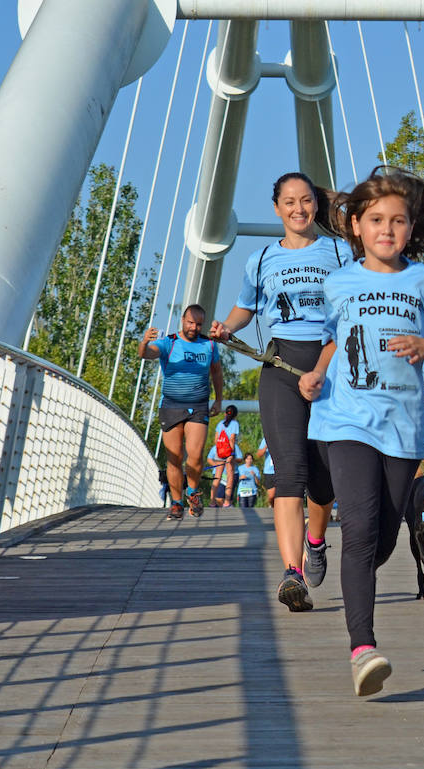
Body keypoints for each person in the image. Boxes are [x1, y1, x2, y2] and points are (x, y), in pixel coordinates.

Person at [300, 166, 424, 697]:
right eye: (376, 220)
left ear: (411, 228)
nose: (386, 230)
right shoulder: (339, 282)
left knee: (386, 540)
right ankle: (362, 649)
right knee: (362, 529)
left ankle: (356, 582)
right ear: (355, 226)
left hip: (404, 427)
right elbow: (331, 339)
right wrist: (318, 371)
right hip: (345, 420)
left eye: (398, 221)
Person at [211, 172, 351, 611]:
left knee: (323, 479)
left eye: (306, 200)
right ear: (277, 208)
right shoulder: (261, 260)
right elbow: (244, 308)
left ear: (316, 206)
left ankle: (315, 539)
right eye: (289, 201)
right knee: (289, 472)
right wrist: (225, 327)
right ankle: (292, 574)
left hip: (332, 366)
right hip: (280, 367)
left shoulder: (340, 252)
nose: (298, 209)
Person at [139, 304, 223, 520]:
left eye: (198, 324)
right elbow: (146, 354)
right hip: (171, 406)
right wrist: (145, 342)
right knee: (174, 458)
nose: (194, 327)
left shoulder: (209, 345)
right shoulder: (169, 342)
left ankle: (193, 493)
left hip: (198, 406)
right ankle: (176, 504)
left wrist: (219, 400)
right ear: (183, 320)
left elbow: (216, 373)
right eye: (190, 322)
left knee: (195, 456)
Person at [212, 404, 242, 507]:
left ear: (225, 413)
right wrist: (232, 453)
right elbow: (232, 439)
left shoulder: (220, 424)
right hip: (228, 452)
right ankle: (227, 501)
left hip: (219, 452)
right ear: (235, 415)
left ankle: (212, 501)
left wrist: (219, 450)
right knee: (230, 476)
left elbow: (215, 439)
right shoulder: (235, 424)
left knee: (217, 476)